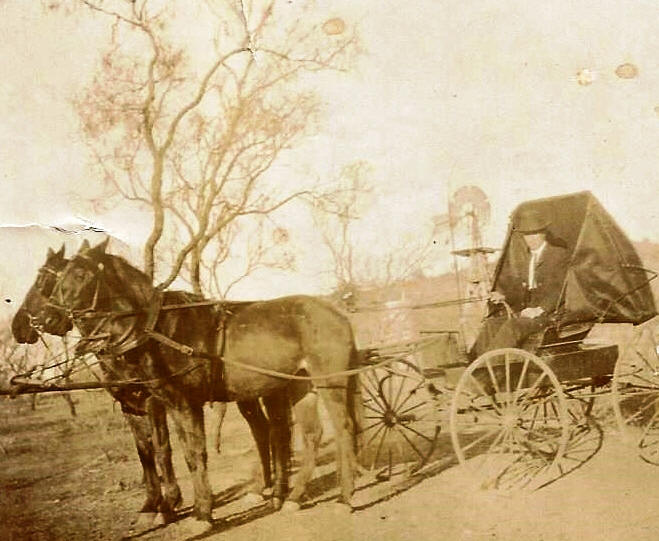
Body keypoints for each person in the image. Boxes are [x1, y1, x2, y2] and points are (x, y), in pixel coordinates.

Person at [469, 208, 570, 359]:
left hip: (549, 316)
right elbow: (520, 289)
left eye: (534, 233)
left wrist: (539, 309)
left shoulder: (558, 255)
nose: (530, 239)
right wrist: (503, 296)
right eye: (526, 235)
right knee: (491, 325)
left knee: (512, 326)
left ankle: (488, 369)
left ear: (543, 233)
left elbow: (561, 289)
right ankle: (473, 364)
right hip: (527, 314)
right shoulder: (527, 258)